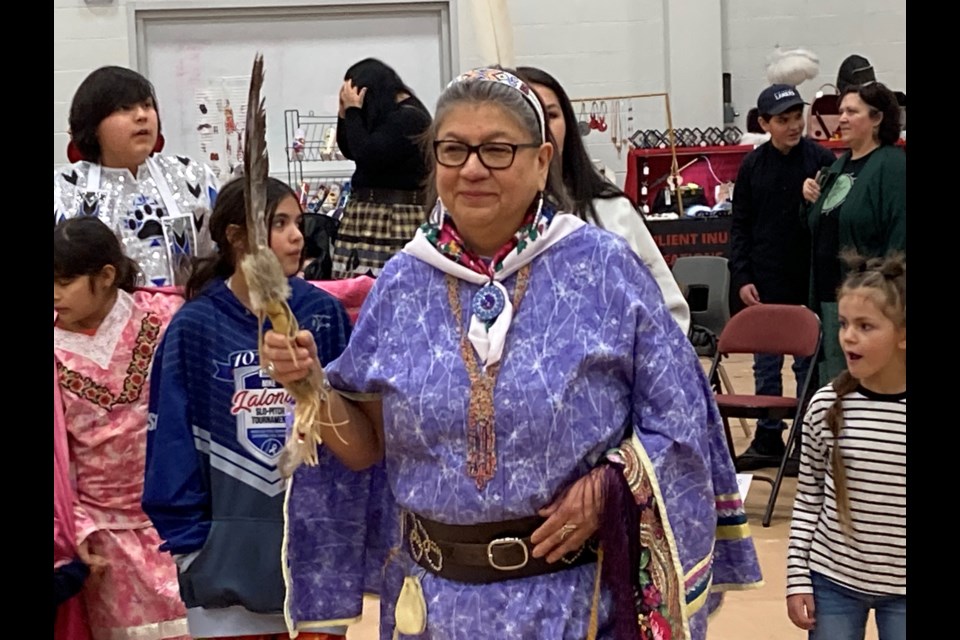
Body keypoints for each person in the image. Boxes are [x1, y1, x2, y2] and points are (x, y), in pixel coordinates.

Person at [264, 67, 762, 640]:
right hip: (434, 608)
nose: (472, 168)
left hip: (575, 607)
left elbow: (682, 419)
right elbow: (366, 446)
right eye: (453, 150)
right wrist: (311, 388)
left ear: (543, 159)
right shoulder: (403, 283)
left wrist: (613, 486)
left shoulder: (602, 270)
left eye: (498, 150)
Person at [141, 177, 373, 640]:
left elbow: (359, 440)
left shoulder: (324, 315)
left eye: (298, 223)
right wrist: (192, 548)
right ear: (237, 236)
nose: (297, 237)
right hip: (225, 567)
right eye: (279, 223)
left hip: (316, 557)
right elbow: (169, 446)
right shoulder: (194, 327)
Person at [54, 216, 188, 640]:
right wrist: (74, 532)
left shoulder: (166, 318)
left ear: (107, 275)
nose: (54, 295)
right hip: (104, 537)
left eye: (64, 281)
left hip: (177, 520)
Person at [515, 65, 690, 334]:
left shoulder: (611, 211)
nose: (542, 127)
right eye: (527, 114)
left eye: (551, 115)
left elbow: (670, 310)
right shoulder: (484, 221)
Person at [786, 252, 906, 640]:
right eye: (843, 324)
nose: (848, 336)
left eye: (866, 326)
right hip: (833, 580)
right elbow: (808, 499)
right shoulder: (825, 405)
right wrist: (797, 578)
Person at [729, 84, 837, 473]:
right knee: (765, 365)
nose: (794, 126)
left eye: (797, 117)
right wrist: (742, 275)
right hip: (766, 282)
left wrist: (816, 204)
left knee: (806, 366)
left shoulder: (822, 160)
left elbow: (832, 220)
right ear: (764, 124)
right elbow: (739, 226)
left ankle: (803, 440)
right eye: (783, 120)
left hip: (806, 280)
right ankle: (768, 436)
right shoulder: (752, 167)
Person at [54, 66, 219, 287]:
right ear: (93, 124)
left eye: (147, 106)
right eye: (124, 108)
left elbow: (223, 256)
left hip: (187, 316)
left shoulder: (192, 176)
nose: (141, 116)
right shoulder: (63, 189)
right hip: (96, 321)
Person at [801, 81, 905, 384]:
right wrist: (808, 201)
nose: (842, 118)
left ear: (877, 119)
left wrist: (889, 295)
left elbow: (900, 235)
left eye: (851, 111)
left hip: (868, 302)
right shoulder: (838, 166)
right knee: (831, 385)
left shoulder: (893, 166)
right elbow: (820, 227)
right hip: (827, 295)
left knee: (855, 386)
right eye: (841, 111)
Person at [332, 58, 433, 280]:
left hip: (394, 216)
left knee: (388, 283)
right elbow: (351, 150)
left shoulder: (409, 117)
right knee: (354, 285)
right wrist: (344, 114)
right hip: (368, 213)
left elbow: (368, 155)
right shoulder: (389, 113)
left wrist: (354, 113)